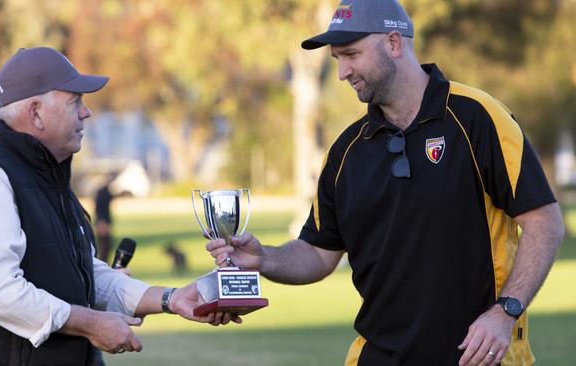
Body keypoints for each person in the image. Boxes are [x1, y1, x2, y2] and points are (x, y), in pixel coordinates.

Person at [206, 1, 564, 365]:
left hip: (479, 357)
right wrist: (263, 258)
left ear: (394, 43)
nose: (343, 71)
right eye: (337, 59)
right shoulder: (346, 151)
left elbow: (543, 221)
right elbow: (318, 253)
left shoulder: (478, 118)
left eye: (351, 55)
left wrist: (506, 311)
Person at [0, 47, 239, 366]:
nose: (86, 113)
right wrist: (92, 323)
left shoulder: (49, 180)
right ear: (35, 113)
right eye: (74, 102)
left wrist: (171, 298)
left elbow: (87, 274)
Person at [94, 172, 129, 262]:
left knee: (108, 246)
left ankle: (105, 264)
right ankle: (103, 265)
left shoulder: (105, 191)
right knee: (104, 247)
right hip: (103, 223)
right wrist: (101, 223)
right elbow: (99, 208)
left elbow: (112, 197)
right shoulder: (102, 192)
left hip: (105, 222)